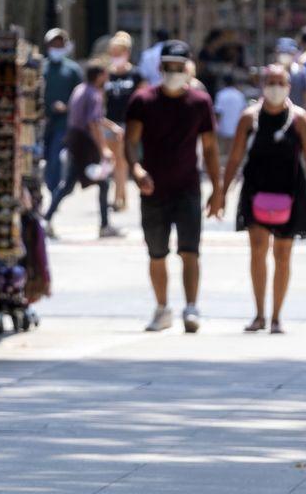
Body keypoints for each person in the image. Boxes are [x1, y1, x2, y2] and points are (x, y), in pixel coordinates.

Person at [125, 41, 223, 334]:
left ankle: (191, 308)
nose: (174, 72)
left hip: (188, 188)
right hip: (153, 189)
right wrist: (136, 169)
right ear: (160, 68)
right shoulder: (142, 101)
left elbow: (210, 148)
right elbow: (129, 142)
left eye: (180, 67)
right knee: (156, 253)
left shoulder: (200, 103)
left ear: (188, 68)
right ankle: (162, 307)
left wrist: (218, 189)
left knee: (190, 250)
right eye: (169, 66)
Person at [215, 64, 306, 334]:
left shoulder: (299, 119)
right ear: (263, 85)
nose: (275, 86)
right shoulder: (249, 118)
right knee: (258, 249)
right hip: (256, 188)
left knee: (283, 253)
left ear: (288, 85)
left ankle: (276, 317)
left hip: (291, 190)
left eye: (280, 82)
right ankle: (259, 314)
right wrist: (222, 193)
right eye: (270, 81)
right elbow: (235, 158)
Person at [45, 63, 121, 238]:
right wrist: (103, 149)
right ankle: (104, 225)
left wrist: (112, 126)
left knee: (72, 184)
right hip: (84, 144)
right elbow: (93, 123)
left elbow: (96, 118)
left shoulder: (80, 89)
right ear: (100, 75)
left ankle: (48, 218)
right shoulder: (94, 94)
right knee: (97, 183)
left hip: (74, 141)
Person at [42, 28, 84, 214]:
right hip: (43, 124)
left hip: (64, 124)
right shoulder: (41, 68)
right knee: (43, 162)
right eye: (53, 44)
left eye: (60, 44)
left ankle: (54, 198)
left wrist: (67, 108)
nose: (56, 47)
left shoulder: (73, 69)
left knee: (55, 162)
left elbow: (80, 97)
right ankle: (51, 196)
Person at [103, 32, 144, 212]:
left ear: (127, 52)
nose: (116, 56)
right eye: (113, 52)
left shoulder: (135, 74)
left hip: (128, 123)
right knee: (113, 162)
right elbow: (101, 100)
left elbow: (142, 98)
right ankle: (121, 197)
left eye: (119, 52)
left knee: (122, 161)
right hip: (109, 123)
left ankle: (119, 199)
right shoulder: (106, 74)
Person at [212, 73, 247, 161]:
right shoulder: (240, 95)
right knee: (233, 152)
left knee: (222, 154)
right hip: (237, 128)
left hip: (223, 129)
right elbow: (243, 111)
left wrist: (215, 127)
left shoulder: (221, 94)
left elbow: (218, 112)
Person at [275, 37, 306, 110]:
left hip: (297, 116)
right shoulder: (271, 73)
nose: (285, 55)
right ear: (277, 53)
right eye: (283, 52)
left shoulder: (301, 71)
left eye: (288, 52)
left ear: (294, 53)